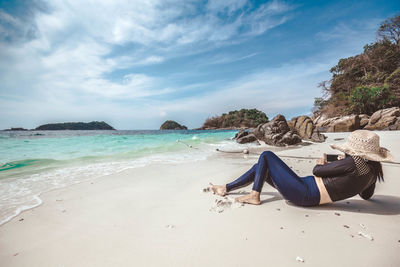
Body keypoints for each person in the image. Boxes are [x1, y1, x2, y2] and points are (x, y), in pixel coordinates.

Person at [210, 130, 394, 206]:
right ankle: (226, 188)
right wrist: (342, 164)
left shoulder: (353, 163)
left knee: (266, 155)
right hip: (305, 189)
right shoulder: (372, 171)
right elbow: (366, 195)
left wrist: (323, 162)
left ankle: (254, 195)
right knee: (261, 166)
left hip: (304, 193)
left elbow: (317, 172)